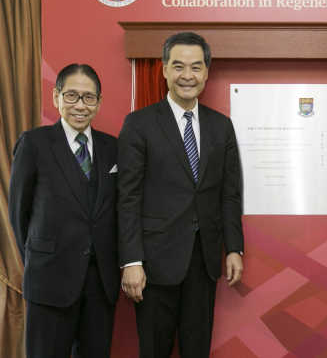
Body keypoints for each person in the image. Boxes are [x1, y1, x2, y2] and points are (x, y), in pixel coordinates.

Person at [118, 32, 245, 357]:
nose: (187, 75)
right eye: (178, 66)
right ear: (163, 70)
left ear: (206, 72)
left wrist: (234, 248)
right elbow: (128, 197)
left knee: (197, 349)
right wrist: (131, 261)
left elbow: (229, 194)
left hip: (203, 262)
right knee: (154, 350)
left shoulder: (221, 126)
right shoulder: (139, 124)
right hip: (154, 265)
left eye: (195, 67)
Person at [9, 64, 119, 358]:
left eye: (88, 97)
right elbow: (18, 213)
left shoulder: (114, 148)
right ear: (56, 96)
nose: (80, 106)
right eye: (71, 96)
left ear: (99, 102)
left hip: (100, 285)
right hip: (49, 281)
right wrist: (39, 257)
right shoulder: (34, 143)